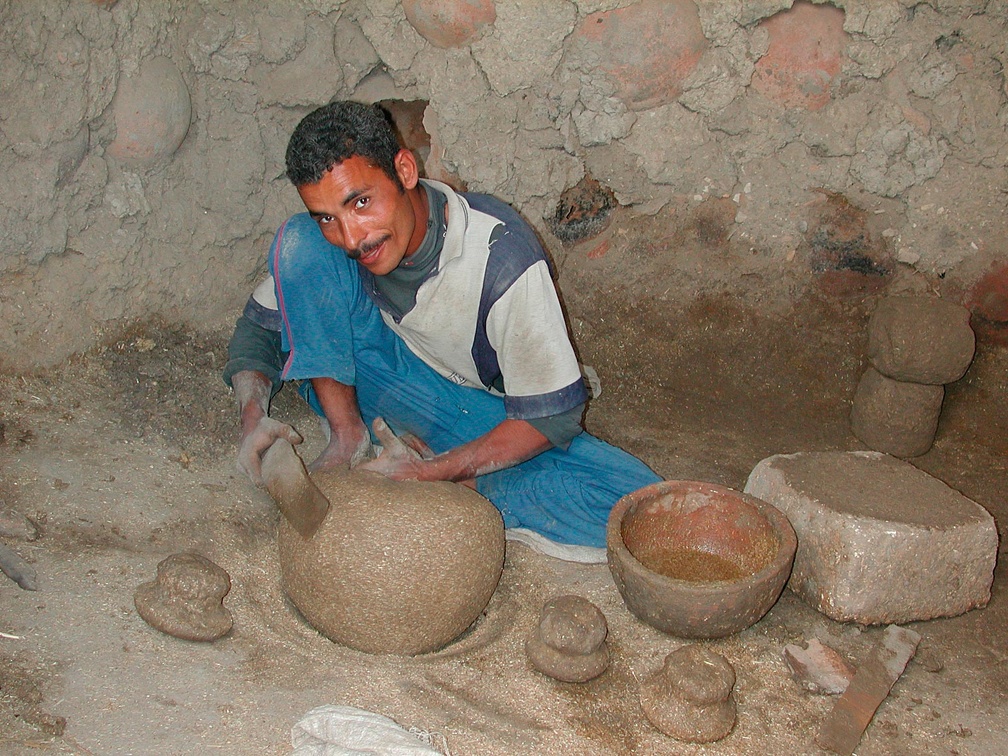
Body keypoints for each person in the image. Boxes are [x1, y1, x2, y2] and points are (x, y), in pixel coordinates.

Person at [224, 100, 660, 559]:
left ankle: (440, 472)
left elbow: (552, 416)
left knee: (634, 504)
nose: (352, 239)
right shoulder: (324, 243)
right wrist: (252, 418)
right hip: (365, 379)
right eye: (328, 217)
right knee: (299, 241)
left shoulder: (500, 257)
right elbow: (257, 333)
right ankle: (346, 436)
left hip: (468, 410)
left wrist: (437, 473)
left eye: (362, 203)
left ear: (406, 171)